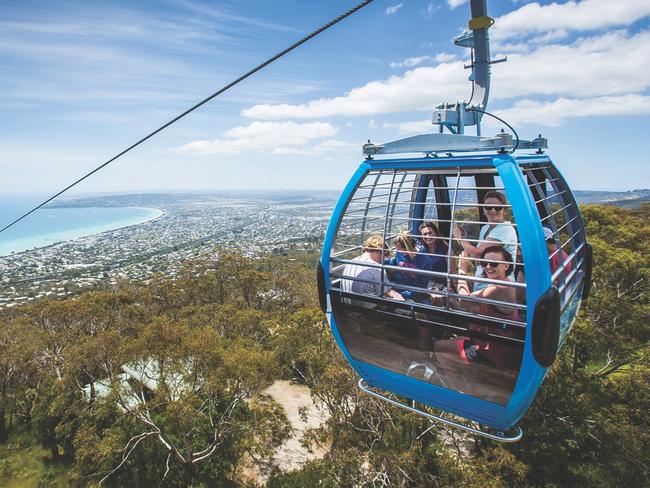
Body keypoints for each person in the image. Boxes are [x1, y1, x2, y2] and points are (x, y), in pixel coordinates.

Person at [452, 191, 517, 291]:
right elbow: (478, 258)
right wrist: (464, 239)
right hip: (483, 281)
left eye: (498, 207)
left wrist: (459, 239)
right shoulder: (485, 229)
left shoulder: (506, 229)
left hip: (498, 284)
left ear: (504, 210)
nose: (493, 210)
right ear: (483, 209)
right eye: (488, 207)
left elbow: (478, 254)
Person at [341, 234, 405, 305]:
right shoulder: (377, 268)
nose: (383, 259)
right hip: (368, 313)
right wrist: (399, 297)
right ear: (379, 251)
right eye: (384, 254)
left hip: (347, 309)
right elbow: (387, 293)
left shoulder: (350, 262)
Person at [385, 231, 420, 300]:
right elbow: (394, 263)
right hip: (397, 284)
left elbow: (421, 282)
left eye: (399, 248)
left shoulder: (421, 257)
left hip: (411, 288)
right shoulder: (399, 253)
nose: (397, 250)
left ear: (408, 247)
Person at [415, 221, 448, 290]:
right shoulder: (419, 249)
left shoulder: (445, 248)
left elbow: (452, 271)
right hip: (425, 284)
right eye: (425, 234)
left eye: (430, 233)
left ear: (436, 233)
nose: (428, 236)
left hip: (442, 284)